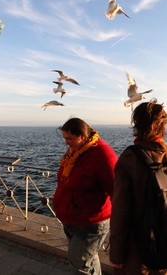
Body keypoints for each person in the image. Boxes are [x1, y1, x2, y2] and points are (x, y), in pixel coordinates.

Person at [109, 100, 167, 275]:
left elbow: (120, 210)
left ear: (137, 124)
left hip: (137, 247)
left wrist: (116, 254)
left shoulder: (130, 157)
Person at [53, 117, 118, 274]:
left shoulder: (102, 153)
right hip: (73, 218)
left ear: (82, 136)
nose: (66, 142)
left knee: (81, 262)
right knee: (87, 259)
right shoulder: (76, 151)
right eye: (64, 138)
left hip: (90, 223)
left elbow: (116, 189)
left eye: (69, 138)